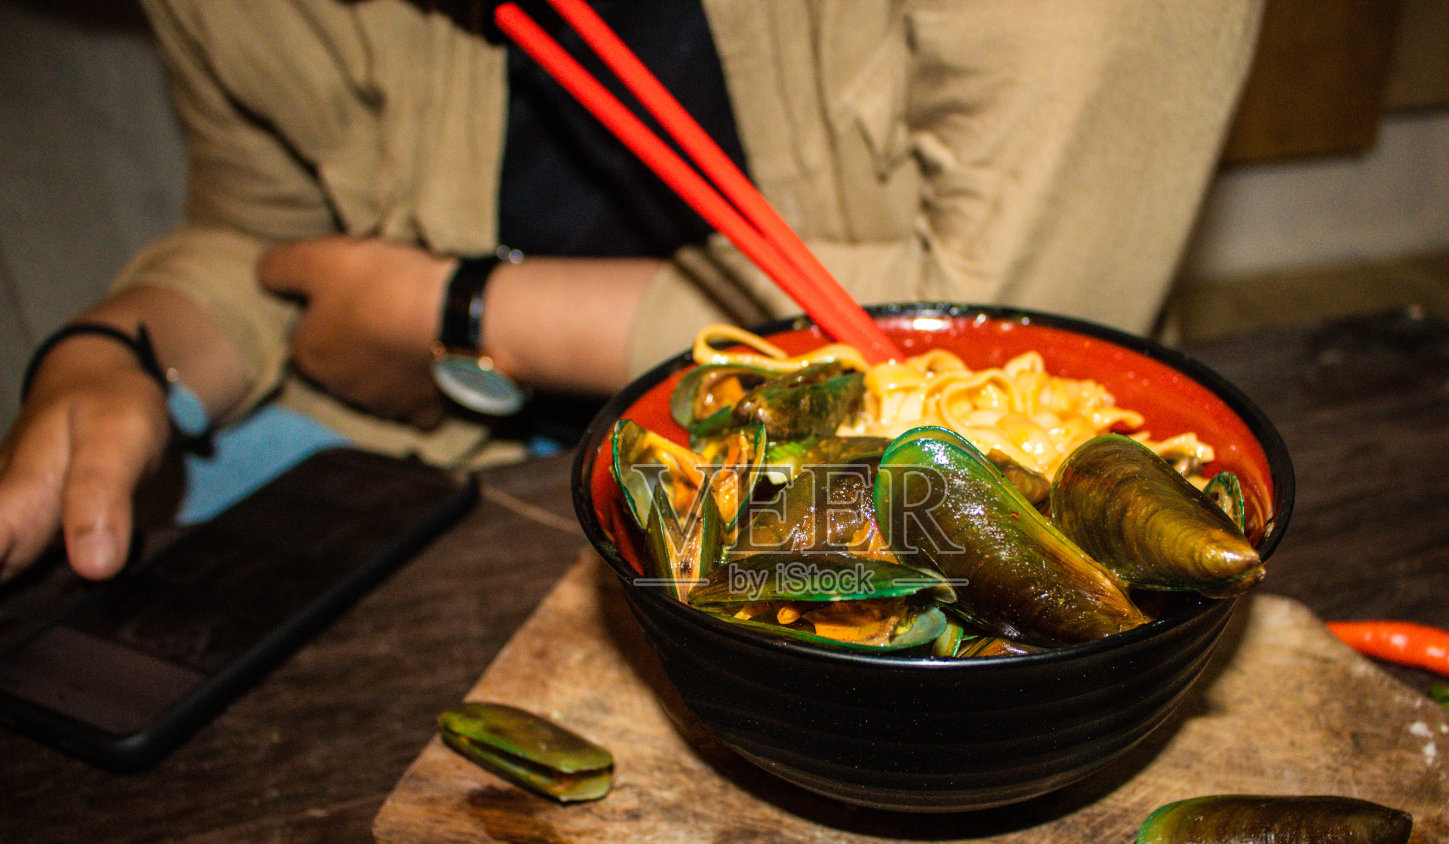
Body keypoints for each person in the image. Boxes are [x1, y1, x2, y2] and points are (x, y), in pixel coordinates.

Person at [0, 0, 1263, 583]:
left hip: (916, 490)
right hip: (441, 468)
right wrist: (115, 350)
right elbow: (260, 238)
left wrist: (459, 311)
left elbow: (1003, 322)